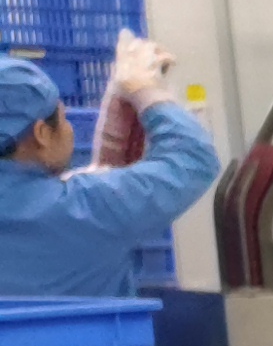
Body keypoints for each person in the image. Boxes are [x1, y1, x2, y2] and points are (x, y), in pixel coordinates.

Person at [0, 34, 218, 296]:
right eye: (64, 118)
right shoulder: (88, 207)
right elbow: (193, 156)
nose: (70, 130)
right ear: (42, 134)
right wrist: (146, 90)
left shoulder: (85, 204)